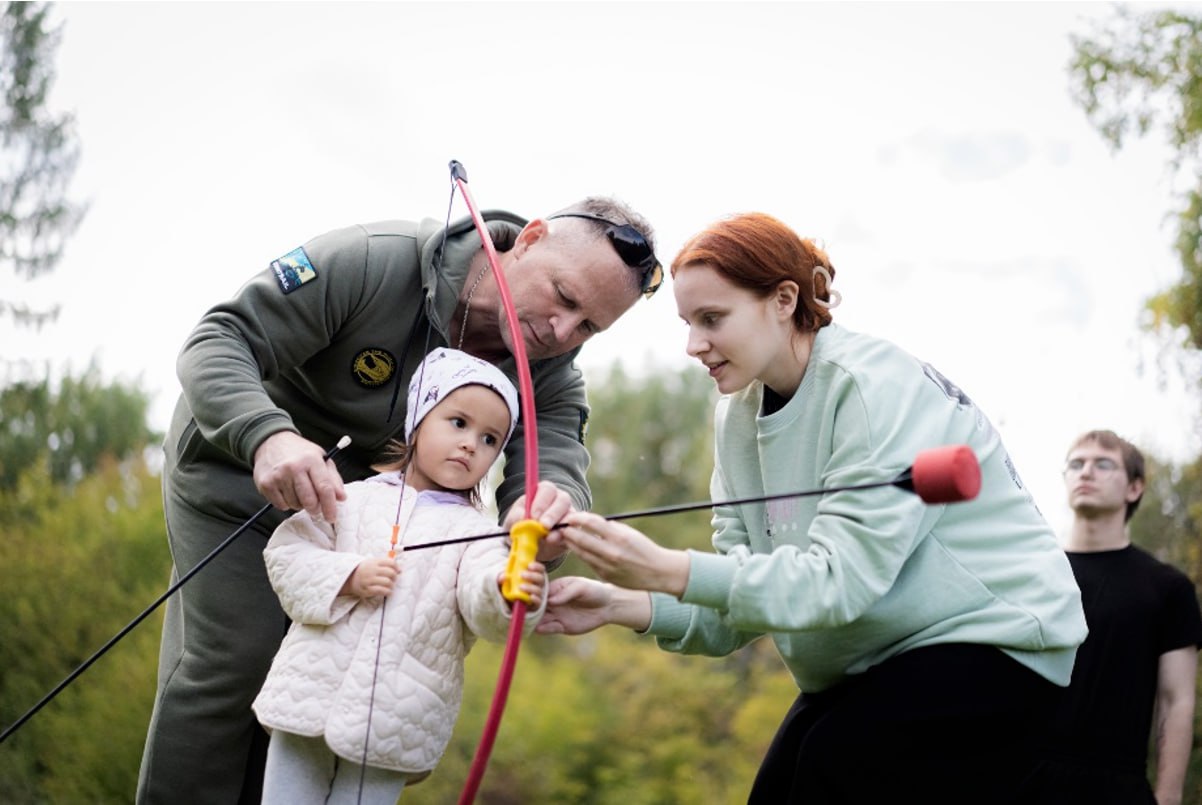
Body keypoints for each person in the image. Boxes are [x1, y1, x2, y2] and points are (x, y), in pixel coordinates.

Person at [537, 212, 1089, 804]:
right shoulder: (736, 416)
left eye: (712, 319)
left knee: (835, 764)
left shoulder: (872, 387)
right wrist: (623, 602)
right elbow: (741, 596)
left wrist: (663, 567)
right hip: (874, 658)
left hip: (997, 644)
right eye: (687, 323)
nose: (694, 345)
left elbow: (839, 580)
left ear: (783, 300)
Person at [136, 196, 661, 803]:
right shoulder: (371, 261)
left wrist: (541, 512)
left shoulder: (552, 370)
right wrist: (269, 436)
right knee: (237, 660)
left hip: (365, 525)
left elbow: (555, 460)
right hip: (238, 478)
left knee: (316, 682)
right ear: (531, 238)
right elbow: (218, 339)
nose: (563, 333)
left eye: (590, 326)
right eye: (564, 298)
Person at [252, 348, 547, 804]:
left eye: (491, 439)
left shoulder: (477, 532)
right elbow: (288, 552)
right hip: (309, 694)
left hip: (398, 718)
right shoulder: (353, 499)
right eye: (458, 422)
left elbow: (481, 587)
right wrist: (349, 576)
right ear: (418, 420)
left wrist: (507, 589)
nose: (471, 444)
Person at [1029, 430, 1202, 805]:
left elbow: (1177, 701)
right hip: (1018, 779)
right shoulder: (1031, 573)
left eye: (1102, 464)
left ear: (1135, 488)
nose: (1086, 472)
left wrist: (1169, 797)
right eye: (1076, 464)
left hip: (1115, 788)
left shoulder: (1168, 588)